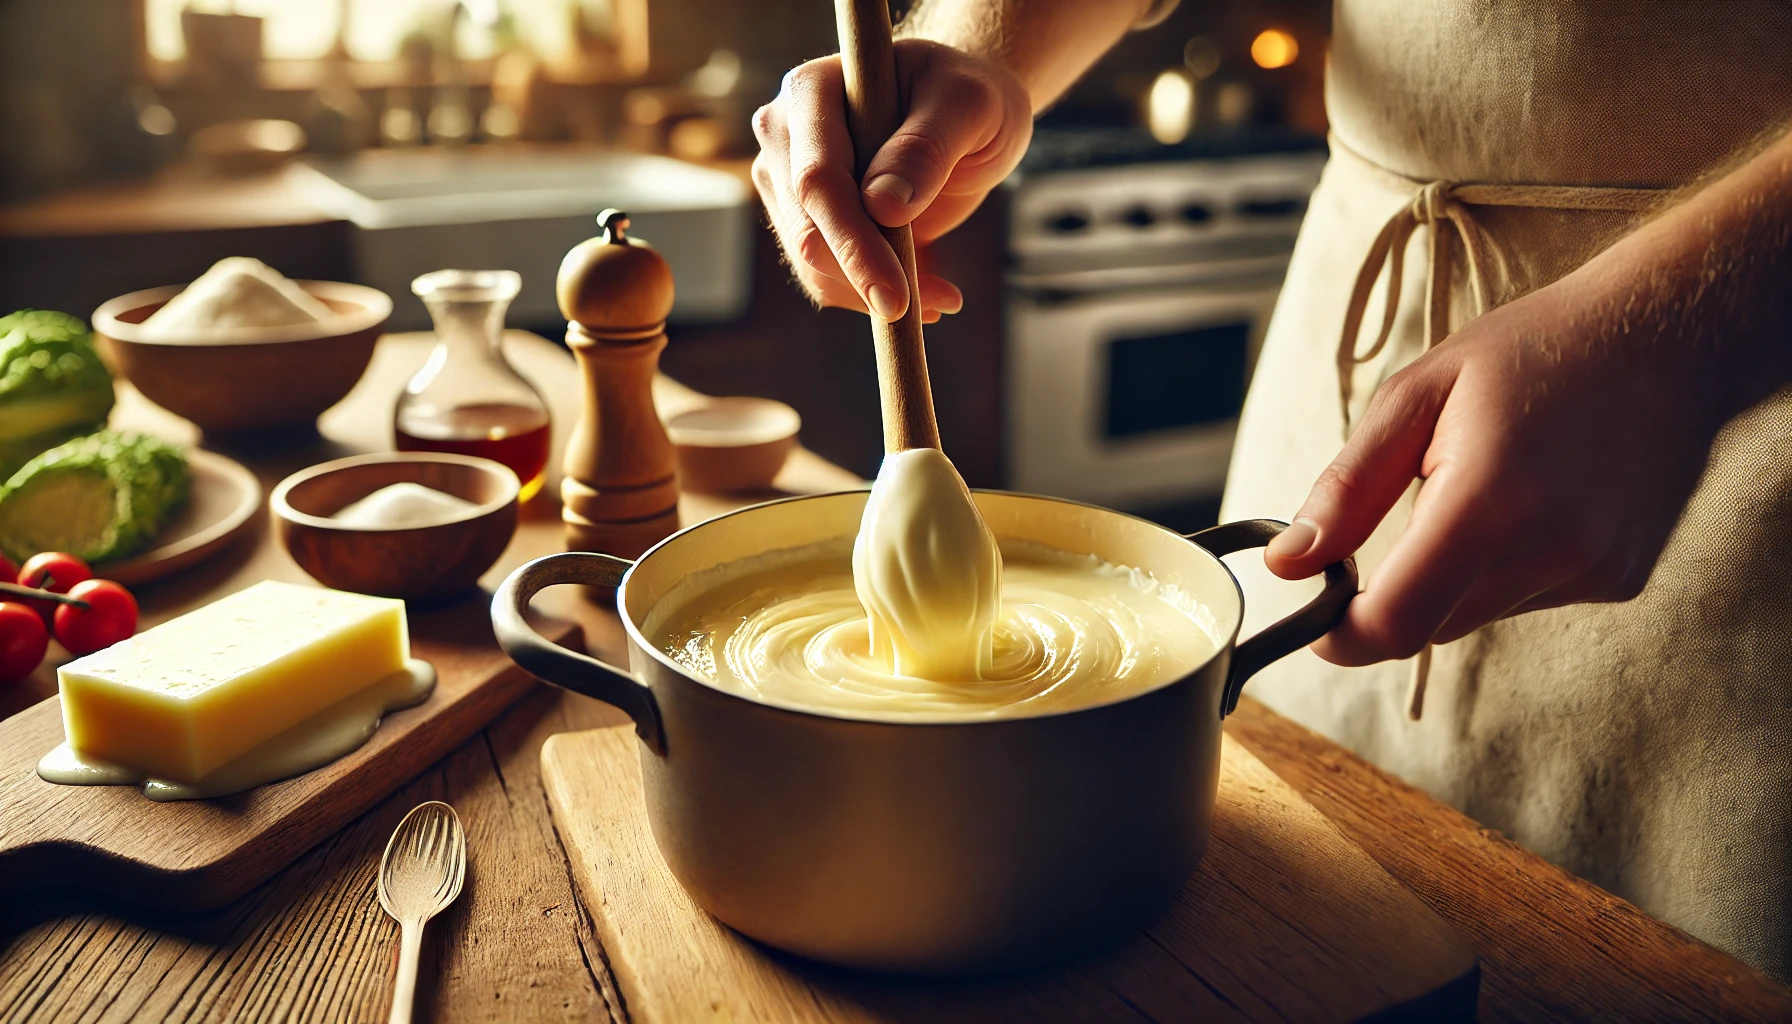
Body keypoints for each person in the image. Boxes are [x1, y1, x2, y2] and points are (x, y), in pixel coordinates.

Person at [749, 0, 1792, 981]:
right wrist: (983, 39)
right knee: (1295, 931)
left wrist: (1679, 333)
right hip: (1363, 363)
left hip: (1745, 398)